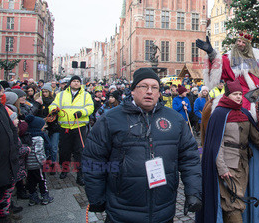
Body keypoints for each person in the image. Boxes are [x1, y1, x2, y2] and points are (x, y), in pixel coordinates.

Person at [83, 68, 202, 222]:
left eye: (154, 88)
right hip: (122, 210)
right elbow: (93, 159)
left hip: (163, 209)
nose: (149, 92)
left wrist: (193, 192)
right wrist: (96, 197)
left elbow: (190, 158)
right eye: (143, 86)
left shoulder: (174, 119)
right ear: (132, 91)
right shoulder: (110, 119)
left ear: (159, 93)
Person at [197, 79, 259, 223]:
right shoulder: (219, 114)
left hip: (243, 165)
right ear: (227, 95)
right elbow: (216, 146)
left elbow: (258, 139)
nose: (238, 97)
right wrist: (223, 168)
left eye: (240, 94)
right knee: (233, 203)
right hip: (228, 166)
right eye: (235, 94)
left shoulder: (244, 113)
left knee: (235, 200)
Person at [197, 32, 259, 118]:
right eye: (239, 41)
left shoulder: (258, 58)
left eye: (243, 42)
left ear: (248, 45)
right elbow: (218, 68)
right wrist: (211, 53)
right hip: (239, 94)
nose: (240, 44)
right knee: (242, 115)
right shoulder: (228, 59)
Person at [49, 75, 94, 186]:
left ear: (80, 83)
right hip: (65, 127)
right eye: (74, 81)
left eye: (78, 81)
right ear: (70, 83)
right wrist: (53, 110)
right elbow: (53, 104)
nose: (76, 83)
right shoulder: (61, 94)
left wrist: (82, 112)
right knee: (64, 150)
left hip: (79, 126)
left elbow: (90, 107)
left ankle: (80, 175)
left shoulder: (86, 95)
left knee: (79, 151)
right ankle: (64, 170)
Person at [0, 81, 18, 223]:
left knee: (3, 192)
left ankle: (3, 214)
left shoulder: (0, 108)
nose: (2, 93)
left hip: (7, 159)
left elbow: (11, 128)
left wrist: (15, 145)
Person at [25, 115, 54, 206]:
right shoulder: (39, 138)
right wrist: (43, 162)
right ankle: (45, 196)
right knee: (42, 180)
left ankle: (33, 198)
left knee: (31, 181)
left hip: (29, 165)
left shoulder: (26, 136)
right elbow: (39, 152)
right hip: (38, 165)